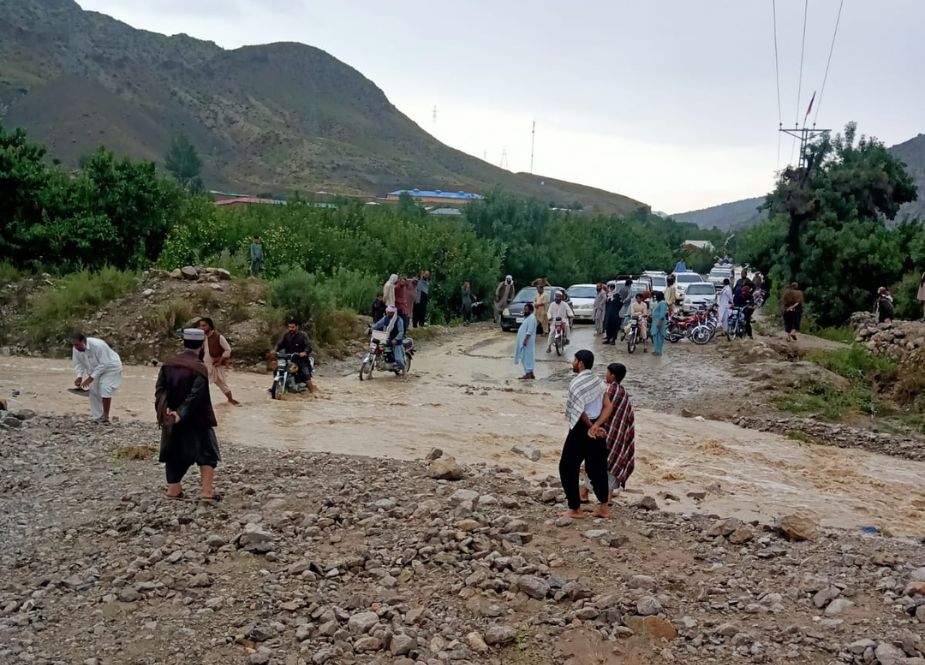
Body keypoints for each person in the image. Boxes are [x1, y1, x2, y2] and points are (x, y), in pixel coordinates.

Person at [156, 328, 221, 502]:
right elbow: (195, 395)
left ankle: (174, 490)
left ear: (183, 343)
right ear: (202, 345)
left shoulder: (168, 364)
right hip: (198, 420)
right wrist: (181, 413)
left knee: (173, 453)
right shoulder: (199, 368)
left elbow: (160, 390)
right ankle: (207, 493)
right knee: (207, 454)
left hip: (172, 420)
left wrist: (166, 410)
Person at [559, 350, 609, 519]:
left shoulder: (576, 383)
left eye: (574, 360)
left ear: (580, 363)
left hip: (582, 428)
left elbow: (579, 410)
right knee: (598, 469)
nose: (573, 363)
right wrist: (597, 425)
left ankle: (575, 508)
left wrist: (590, 426)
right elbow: (608, 407)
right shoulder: (599, 382)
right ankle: (604, 507)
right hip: (598, 427)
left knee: (567, 467)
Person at [581, 363, 636, 501]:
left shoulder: (608, 390)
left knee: (594, 463)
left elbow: (597, 410)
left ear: (612, 375)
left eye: (607, 372)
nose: (605, 375)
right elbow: (628, 418)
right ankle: (608, 497)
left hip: (604, 433)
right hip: (617, 435)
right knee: (612, 464)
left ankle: (584, 493)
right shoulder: (623, 393)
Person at [71, 333, 123, 422]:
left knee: (105, 387)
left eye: (77, 345)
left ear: (83, 341)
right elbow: (79, 363)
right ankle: (97, 416)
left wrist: (90, 378)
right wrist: (79, 376)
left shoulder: (98, 345)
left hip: (111, 367)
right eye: (74, 345)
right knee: (94, 391)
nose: (76, 347)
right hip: (95, 368)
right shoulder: (76, 349)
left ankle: (105, 416)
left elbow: (104, 363)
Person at [198, 317, 240, 405]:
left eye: (204, 326)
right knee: (199, 382)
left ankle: (231, 400)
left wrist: (220, 360)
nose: (202, 328)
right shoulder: (203, 337)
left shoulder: (219, 337)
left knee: (221, 383)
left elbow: (228, 350)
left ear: (209, 326)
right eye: (200, 326)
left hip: (215, 365)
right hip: (205, 365)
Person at [275, 319, 314, 390]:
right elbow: (280, 344)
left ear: (297, 327)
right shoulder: (286, 335)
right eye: (289, 327)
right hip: (289, 359)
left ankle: (313, 391)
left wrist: (305, 352)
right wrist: (274, 351)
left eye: (292, 327)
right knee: (278, 369)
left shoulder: (303, 335)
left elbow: (308, 346)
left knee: (304, 372)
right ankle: (276, 387)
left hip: (301, 359)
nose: (291, 329)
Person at [371, 305, 406, 375]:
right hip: (386, 338)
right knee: (375, 350)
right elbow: (378, 324)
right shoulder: (385, 318)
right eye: (388, 312)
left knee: (398, 359)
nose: (388, 314)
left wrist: (396, 339)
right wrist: (371, 328)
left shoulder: (399, 320)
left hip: (396, 341)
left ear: (394, 313)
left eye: (390, 312)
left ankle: (404, 369)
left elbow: (401, 331)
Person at [514, 303, 537, 380]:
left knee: (526, 357)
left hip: (527, 342)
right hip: (525, 342)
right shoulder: (528, 318)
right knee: (526, 356)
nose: (524, 311)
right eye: (524, 309)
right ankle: (530, 373)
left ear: (530, 310)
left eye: (526, 310)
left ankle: (528, 373)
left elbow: (529, 331)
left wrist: (525, 340)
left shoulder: (532, 318)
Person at [650, 292, 668, 356]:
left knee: (659, 337)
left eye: (656, 296)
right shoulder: (659, 303)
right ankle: (656, 350)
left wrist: (660, 322)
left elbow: (662, 313)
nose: (655, 298)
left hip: (659, 321)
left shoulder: (662, 303)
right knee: (655, 336)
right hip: (655, 321)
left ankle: (659, 351)